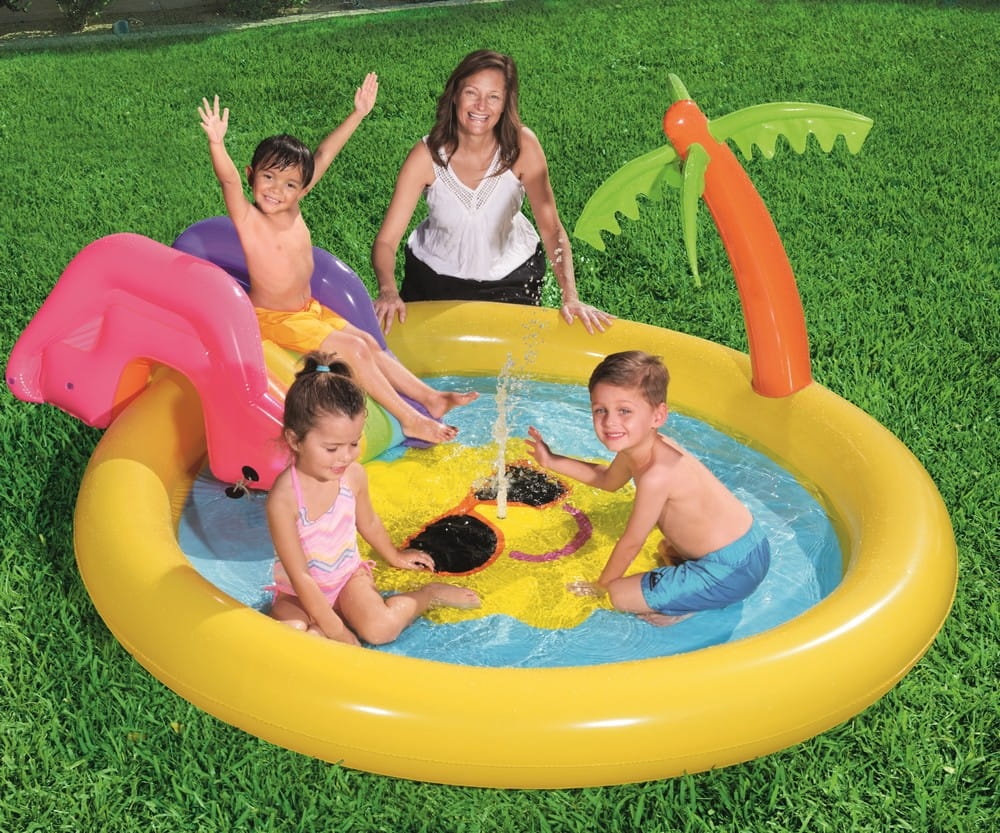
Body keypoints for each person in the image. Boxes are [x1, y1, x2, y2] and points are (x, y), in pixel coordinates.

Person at [198, 76, 476, 445]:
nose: (277, 190)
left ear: (301, 188)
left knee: (368, 341)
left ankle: (430, 397)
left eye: (290, 184)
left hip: (307, 310)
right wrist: (217, 143)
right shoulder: (250, 220)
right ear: (252, 175)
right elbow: (229, 182)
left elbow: (324, 155)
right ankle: (410, 419)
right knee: (356, 350)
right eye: (268, 177)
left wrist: (358, 114)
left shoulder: (291, 206)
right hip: (273, 319)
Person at [371, 49, 614, 335]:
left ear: (505, 103)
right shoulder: (426, 156)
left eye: (493, 97)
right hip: (434, 279)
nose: (481, 106)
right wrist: (388, 290)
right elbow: (386, 242)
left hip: (511, 280)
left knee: (516, 358)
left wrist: (570, 296)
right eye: (471, 93)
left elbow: (552, 230)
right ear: (455, 95)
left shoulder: (523, 146)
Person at [526, 351, 770, 625]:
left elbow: (632, 542)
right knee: (666, 549)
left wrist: (601, 587)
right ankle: (690, 590)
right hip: (749, 545)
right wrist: (551, 460)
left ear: (658, 416)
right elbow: (608, 480)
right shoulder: (640, 447)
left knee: (619, 595)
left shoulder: (657, 475)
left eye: (624, 411)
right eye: (600, 410)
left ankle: (690, 606)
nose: (610, 422)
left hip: (732, 571)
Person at [266, 352, 481, 645]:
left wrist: (394, 556)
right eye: (332, 448)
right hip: (296, 592)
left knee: (381, 630)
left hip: (347, 579)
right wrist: (337, 631)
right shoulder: (284, 499)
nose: (345, 457)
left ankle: (428, 596)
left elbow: (367, 521)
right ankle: (323, 627)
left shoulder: (352, 476)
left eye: (353, 443)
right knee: (293, 635)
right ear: (295, 440)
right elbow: (301, 576)